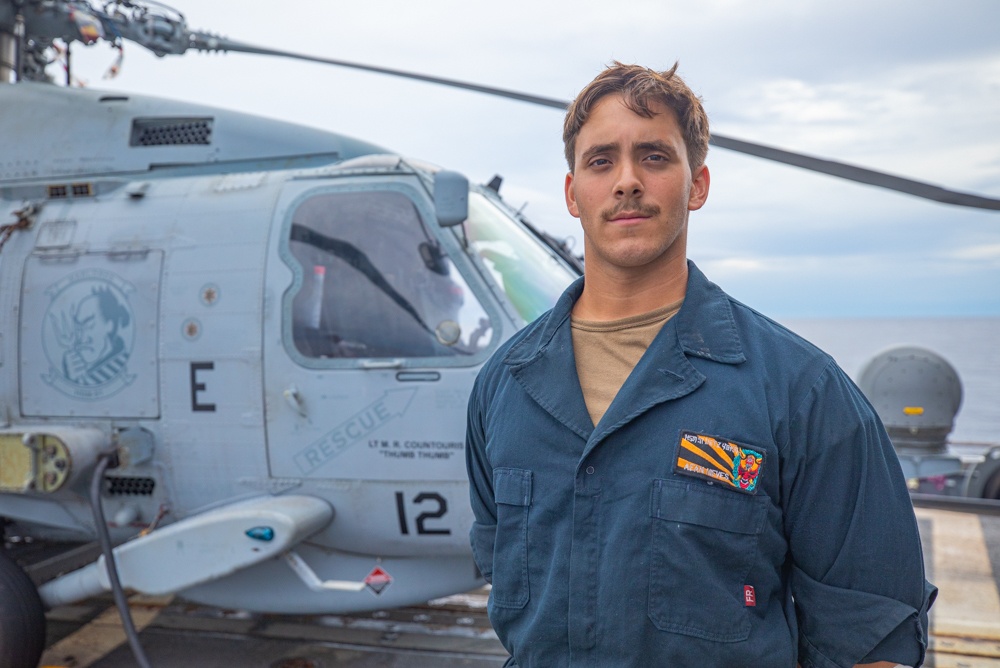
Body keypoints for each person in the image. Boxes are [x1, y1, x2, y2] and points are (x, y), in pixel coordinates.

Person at [465, 62, 935, 668]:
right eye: (601, 160)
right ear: (571, 193)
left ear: (698, 185)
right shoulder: (503, 387)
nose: (627, 181)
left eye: (655, 157)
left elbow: (871, 642)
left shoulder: (803, 392)